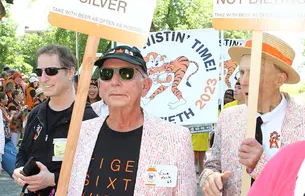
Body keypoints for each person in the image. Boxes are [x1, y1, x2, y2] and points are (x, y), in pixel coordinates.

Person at [67, 45, 196, 196]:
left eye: (126, 74)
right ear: (100, 86)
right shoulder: (81, 132)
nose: (115, 82)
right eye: (106, 73)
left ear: (145, 86)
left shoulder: (175, 139)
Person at [200, 32, 305, 196]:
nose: (244, 81)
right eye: (242, 72)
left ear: (279, 80)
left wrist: (260, 164)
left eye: (254, 73)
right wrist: (210, 178)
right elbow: (212, 164)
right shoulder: (228, 117)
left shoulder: (302, 122)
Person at [13, 45, 98, 196]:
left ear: (70, 72)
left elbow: (96, 172)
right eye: (39, 72)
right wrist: (20, 170)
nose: (43, 78)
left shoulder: (88, 119)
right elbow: (23, 152)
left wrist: (53, 179)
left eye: (51, 71)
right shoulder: (36, 113)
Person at [0, 92, 17, 177]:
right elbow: (8, 120)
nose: (7, 99)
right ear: (1, 99)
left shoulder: (4, 108)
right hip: (5, 139)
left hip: (6, 137)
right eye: (6, 98)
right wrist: (12, 115)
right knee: (14, 165)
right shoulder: (1, 109)